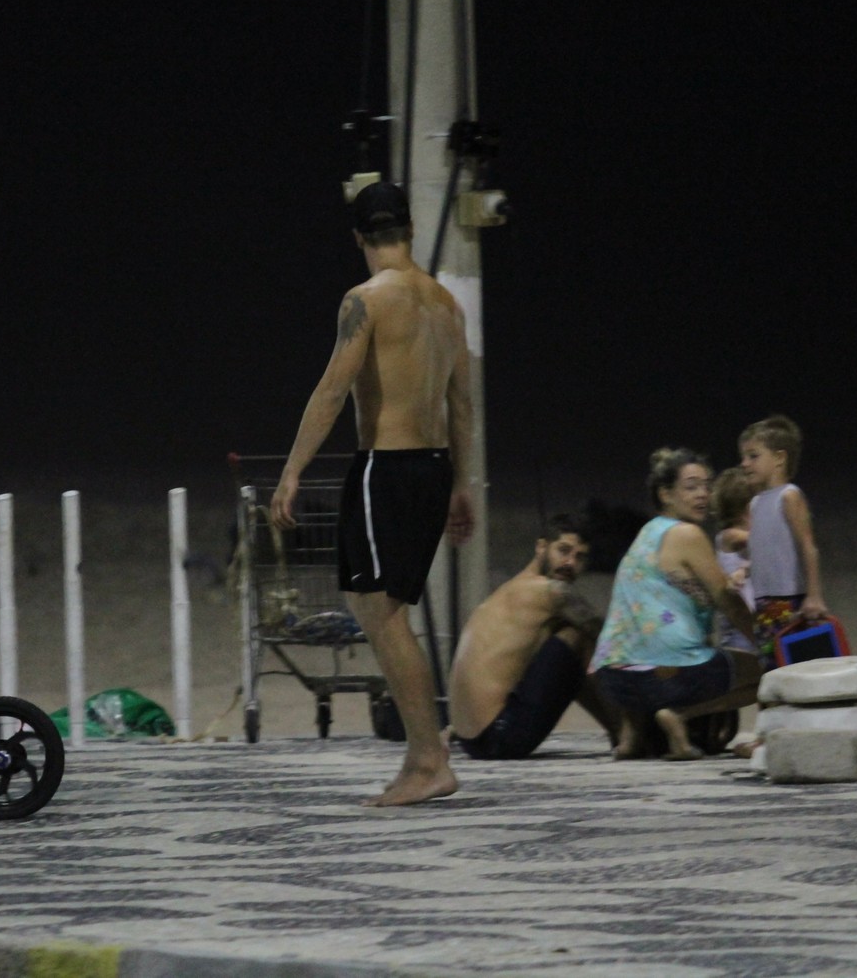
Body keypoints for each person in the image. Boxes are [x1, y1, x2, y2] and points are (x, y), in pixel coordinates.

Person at [270, 180, 474, 807]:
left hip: (386, 469)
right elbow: (462, 406)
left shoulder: (365, 299)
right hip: (435, 468)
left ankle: (429, 760)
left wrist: (292, 470)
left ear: (358, 238)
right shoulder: (445, 303)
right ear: (409, 230)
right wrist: (461, 484)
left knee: (381, 616)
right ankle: (425, 754)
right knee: (390, 614)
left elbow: (333, 389)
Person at [588, 448, 761, 760]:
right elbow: (729, 603)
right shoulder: (688, 534)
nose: (703, 495)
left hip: (613, 680)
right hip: (664, 678)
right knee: (762, 671)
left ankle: (632, 733)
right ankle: (680, 717)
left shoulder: (647, 532)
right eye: (691, 487)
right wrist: (764, 644)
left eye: (707, 486)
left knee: (642, 641)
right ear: (666, 494)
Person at [448, 514, 621, 760]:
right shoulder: (551, 592)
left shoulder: (510, 590)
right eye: (563, 550)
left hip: (471, 741)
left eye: (579, 557)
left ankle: (622, 732)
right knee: (578, 637)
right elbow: (609, 638)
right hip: (501, 734)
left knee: (564, 646)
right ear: (541, 547)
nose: (570, 563)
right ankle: (626, 734)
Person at [739, 415, 828, 661]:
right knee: (771, 667)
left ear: (779, 458)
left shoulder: (789, 496)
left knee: (795, 668)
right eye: (744, 457)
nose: (744, 463)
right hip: (764, 603)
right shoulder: (756, 503)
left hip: (790, 602)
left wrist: (814, 595)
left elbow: (808, 547)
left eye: (753, 456)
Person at [710, 467, 758, 656]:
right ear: (745, 510)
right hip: (738, 633)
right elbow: (761, 540)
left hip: (750, 625)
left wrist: (745, 569)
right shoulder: (728, 536)